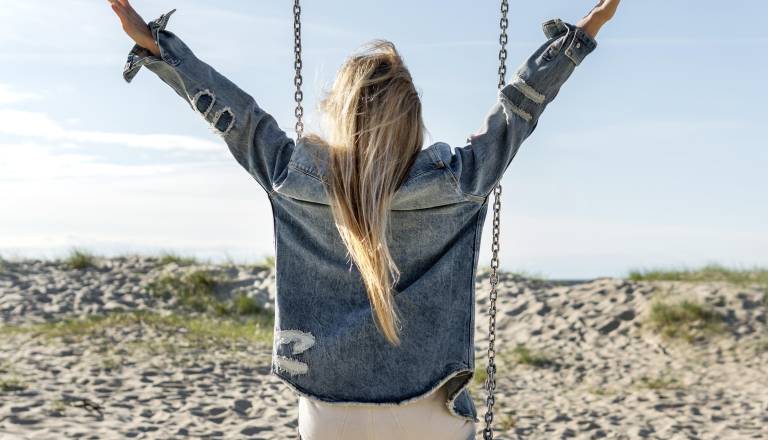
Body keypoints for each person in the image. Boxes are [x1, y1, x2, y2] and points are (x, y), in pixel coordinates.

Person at [107, 1, 619, 439]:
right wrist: (581, 35)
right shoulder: (461, 182)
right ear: (413, 119)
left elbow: (233, 114)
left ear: (339, 112)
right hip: (430, 416)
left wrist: (159, 48)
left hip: (328, 414)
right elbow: (520, 107)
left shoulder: (293, 177)